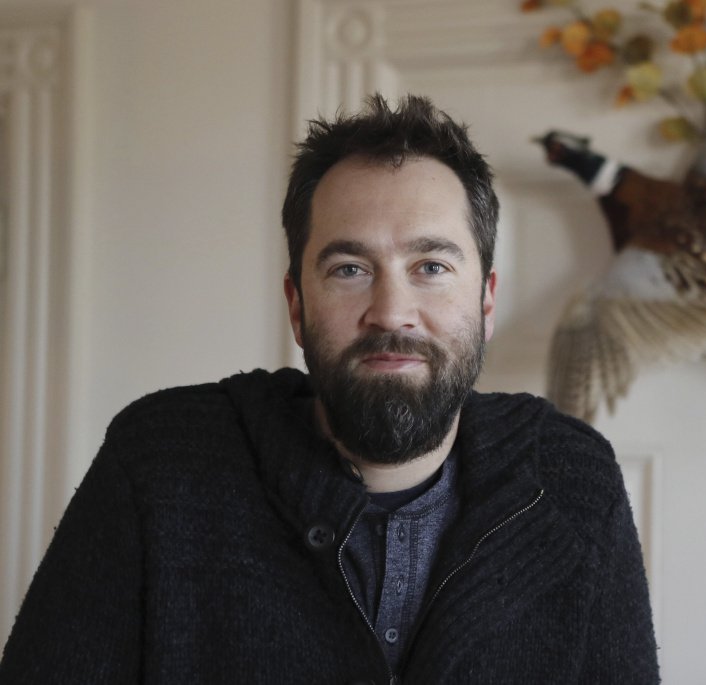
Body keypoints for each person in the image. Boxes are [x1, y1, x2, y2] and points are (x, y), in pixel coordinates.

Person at [0, 94, 659, 684]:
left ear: (486, 301)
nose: (390, 310)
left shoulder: (571, 480)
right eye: (349, 268)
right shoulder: (162, 463)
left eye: (431, 266)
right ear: (296, 303)